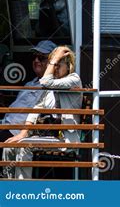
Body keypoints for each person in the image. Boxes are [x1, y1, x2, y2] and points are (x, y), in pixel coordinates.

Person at [3, 46, 82, 179]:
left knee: (24, 146)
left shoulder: (74, 79)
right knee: (9, 146)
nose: (54, 68)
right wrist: (22, 133)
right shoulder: (51, 86)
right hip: (50, 136)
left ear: (68, 66)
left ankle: (22, 190)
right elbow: (36, 109)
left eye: (57, 65)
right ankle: (8, 185)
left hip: (65, 139)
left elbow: (45, 81)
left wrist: (54, 58)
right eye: (52, 65)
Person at [0, 40, 57, 142]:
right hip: (5, 125)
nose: (36, 60)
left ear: (52, 62)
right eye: (34, 57)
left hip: (16, 133)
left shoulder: (52, 86)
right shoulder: (30, 83)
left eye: (41, 58)